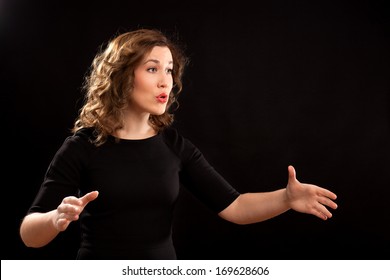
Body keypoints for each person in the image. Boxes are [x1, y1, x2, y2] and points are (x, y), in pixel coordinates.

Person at [19, 28, 338, 260]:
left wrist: (285, 198)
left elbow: (235, 207)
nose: (165, 81)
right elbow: (29, 234)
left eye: (169, 70)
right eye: (152, 68)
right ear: (121, 76)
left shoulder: (174, 146)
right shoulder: (82, 147)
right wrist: (54, 219)